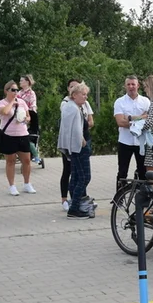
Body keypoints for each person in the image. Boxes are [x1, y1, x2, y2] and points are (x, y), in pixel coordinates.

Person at [58, 81, 94, 219]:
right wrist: (82, 141)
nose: (85, 97)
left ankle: (75, 203)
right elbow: (74, 129)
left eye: (86, 94)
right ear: (74, 95)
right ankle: (74, 208)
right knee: (84, 177)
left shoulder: (72, 107)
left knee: (76, 177)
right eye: (83, 94)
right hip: (78, 149)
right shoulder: (72, 108)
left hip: (74, 148)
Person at [0, 81, 35, 196]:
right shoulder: (2, 103)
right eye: (13, 90)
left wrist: (26, 119)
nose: (15, 92)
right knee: (11, 161)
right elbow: (5, 112)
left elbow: (28, 116)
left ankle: (27, 183)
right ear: (6, 91)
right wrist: (12, 102)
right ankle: (12, 186)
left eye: (16, 90)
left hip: (22, 134)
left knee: (27, 161)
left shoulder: (22, 102)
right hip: (8, 135)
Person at [114, 75, 150, 185]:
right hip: (125, 141)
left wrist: (129, 118)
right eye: (128, 84)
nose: (131, 87)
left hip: (141, 142)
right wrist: (140, 118)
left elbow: (149, 120)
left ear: (138, 85)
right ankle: (119, 199)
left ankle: (143, 198)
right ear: (125, 86)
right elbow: (120, 122)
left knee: (143, 171)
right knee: (122, 172)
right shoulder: (120, 102)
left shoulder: (146, 101)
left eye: (133, 84)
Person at [18, 74, 44, 169]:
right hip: (19, 118)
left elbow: (33, 105)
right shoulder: (19, 93)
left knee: (28, 138)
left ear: (27, 82)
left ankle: (35, 156)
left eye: (22, 80)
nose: (20, 82)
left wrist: (28, 113)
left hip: (29, 116)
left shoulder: (31, 94)